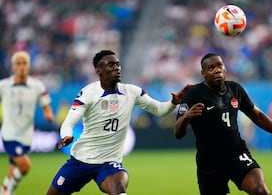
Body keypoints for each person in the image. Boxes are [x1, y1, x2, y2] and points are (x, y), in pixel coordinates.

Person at [46, 50, 191, 195]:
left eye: (117, 64)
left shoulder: (132, 92)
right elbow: (69, 122)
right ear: (99, 71)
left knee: (118, 189)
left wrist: (173, 102)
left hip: (109, 163)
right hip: (81, 160)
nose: (116, 68)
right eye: (110, 65)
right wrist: (66, 135)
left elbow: (159, 110)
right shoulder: (88, 93)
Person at [175, 53, 272, 195]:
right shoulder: (193, 94)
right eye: (211, 68)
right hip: (209, 162)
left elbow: (258, 116)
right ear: (203, 74)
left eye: (219, 65)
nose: (217, 70)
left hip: (236, 153)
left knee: (260, 190)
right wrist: (186, 117)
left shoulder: (235, 89)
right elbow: (178, 133)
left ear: (225, 68)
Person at [0, 51, 55, 195]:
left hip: (27, 135)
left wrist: (48, 113)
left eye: (24, 63)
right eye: (18, 64)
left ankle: (5, 189)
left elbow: (45, 104)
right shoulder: (3, 85)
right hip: (10, 133)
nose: (21, 67)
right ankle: (7, 189)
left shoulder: (37, 86)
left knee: (15, 167)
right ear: (13, 66)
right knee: (25, 166)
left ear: (29, 66)